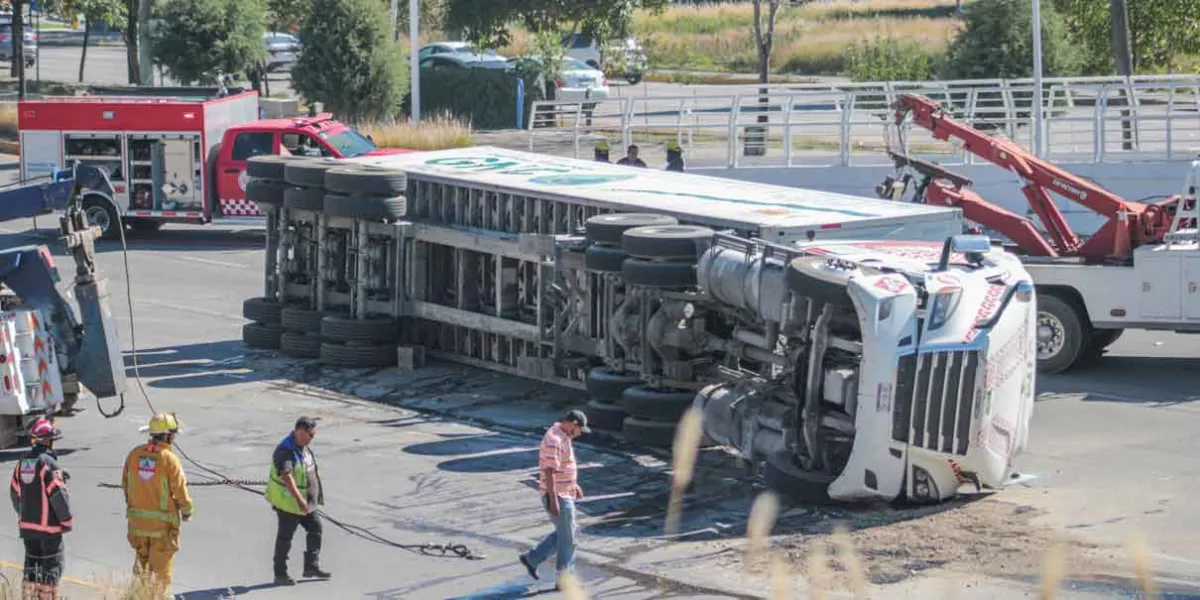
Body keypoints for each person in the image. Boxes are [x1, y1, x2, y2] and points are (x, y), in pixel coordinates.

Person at [121, 413, 194, 599]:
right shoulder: (169, 459)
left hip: (137, 525)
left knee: (141, 569)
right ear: (168, 436)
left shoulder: (134, 455)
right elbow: (179, 490)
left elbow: (126, 485)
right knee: (161, 575)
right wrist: (187, 511)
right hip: (162, 529)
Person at [518, 410, 590, 586]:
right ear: (572, 423)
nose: (580, 433)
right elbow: (549, 472)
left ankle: (532, 559)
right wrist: (554, 500)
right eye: (579, 429)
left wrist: (573, 485)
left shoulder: (563, 436)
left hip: (564, 492)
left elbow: (563, 466)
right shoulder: (554, 440)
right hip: (558, 495)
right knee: (569, 537)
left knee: (564, 533)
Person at [11, 418, 72, 600]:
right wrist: (66, 521)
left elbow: (15, 492)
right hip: (49, 531)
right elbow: (58, 494)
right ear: (47, 441)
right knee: (50, 571)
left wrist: (26, 515)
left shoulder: (22, 463)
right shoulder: (48, 463)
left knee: (31, 569)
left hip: (28, 529)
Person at [266, 416, 330, 586]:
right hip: (289, 503)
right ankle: (280, 573)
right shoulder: (286, 451)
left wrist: (311, 500)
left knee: (316, 528)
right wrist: (300, 501)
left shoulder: (304, 448)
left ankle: (311, 566)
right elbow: (287, 477)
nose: (312, 439)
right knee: (285, 538)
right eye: (311, 435)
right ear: (300, 432)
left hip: (306, 503)